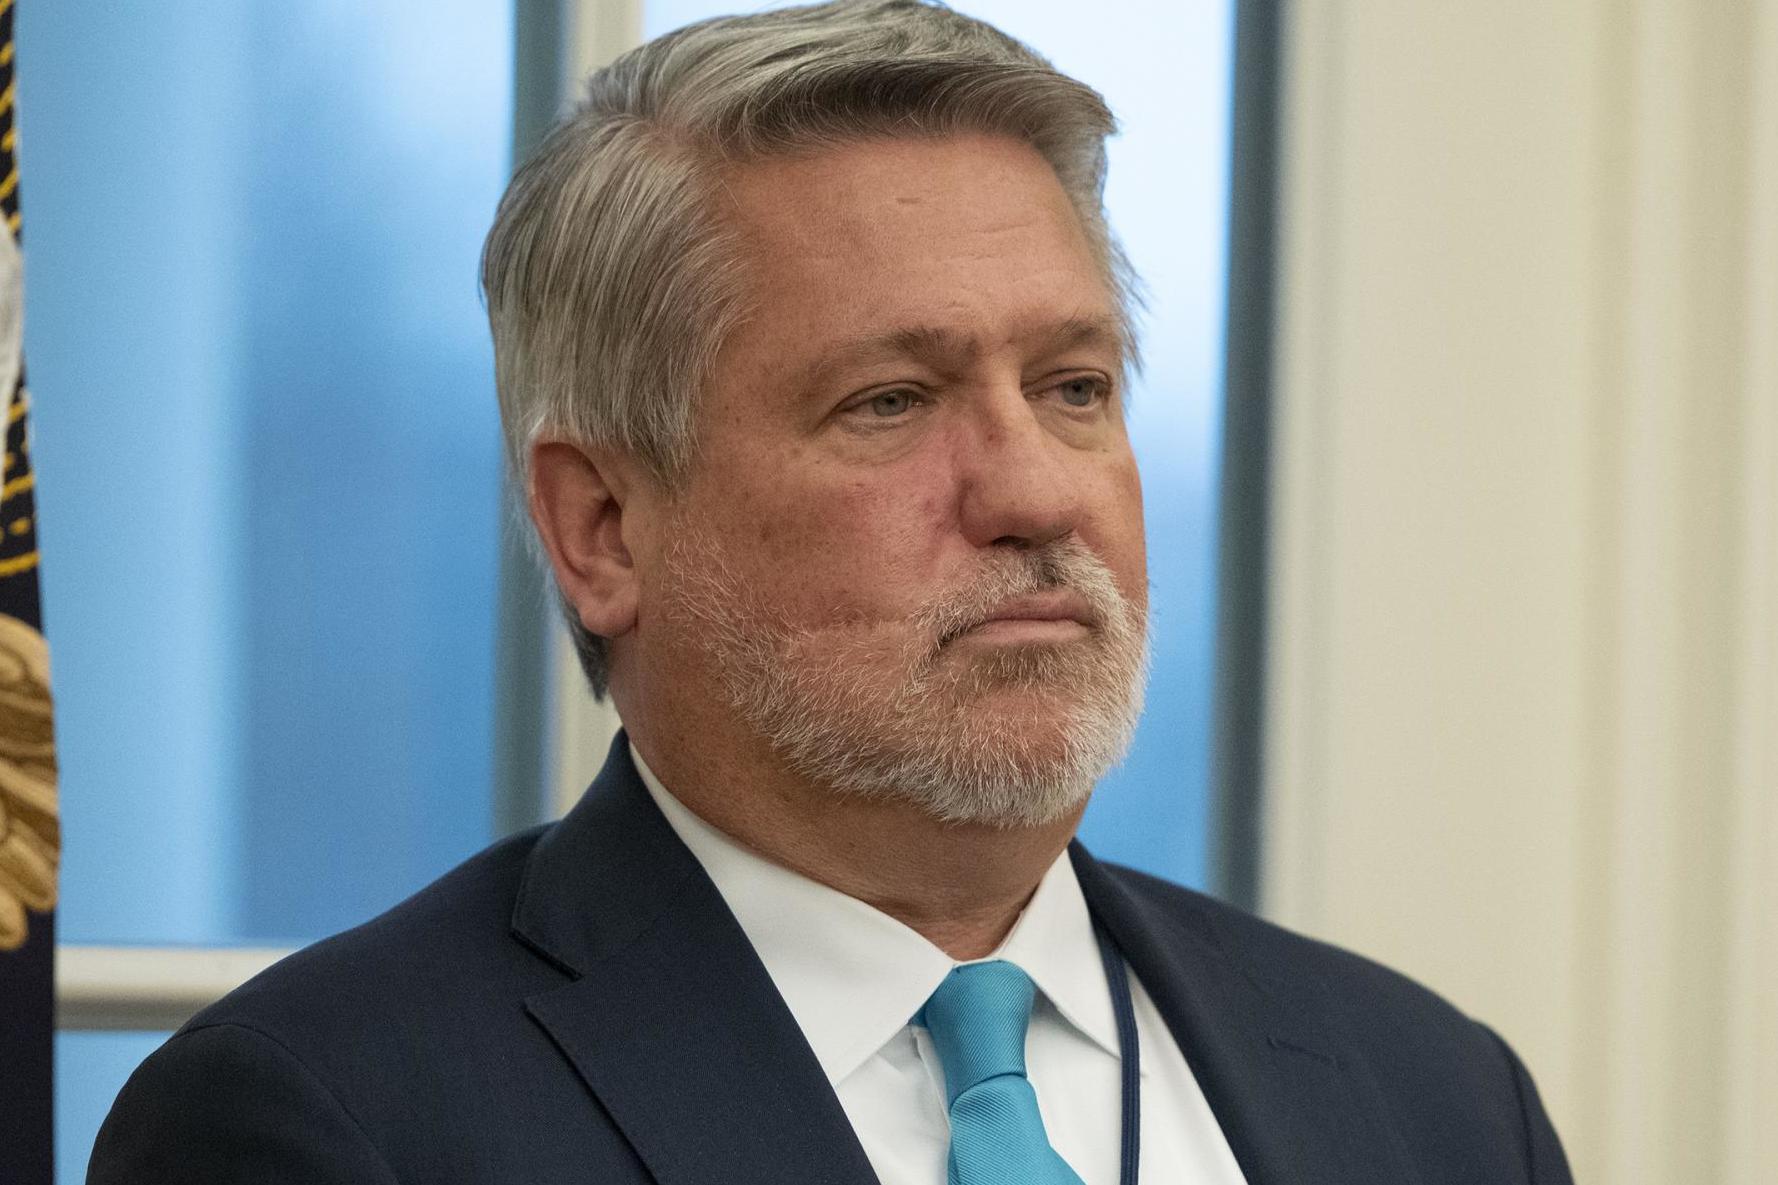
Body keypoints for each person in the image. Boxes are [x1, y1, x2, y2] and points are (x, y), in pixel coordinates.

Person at [88, 3, 1573, 1182]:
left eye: (1072, 386)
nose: (1035, 492)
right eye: (888, 401)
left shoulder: (1433, 1097)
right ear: (600, 525)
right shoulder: (329, 1122)